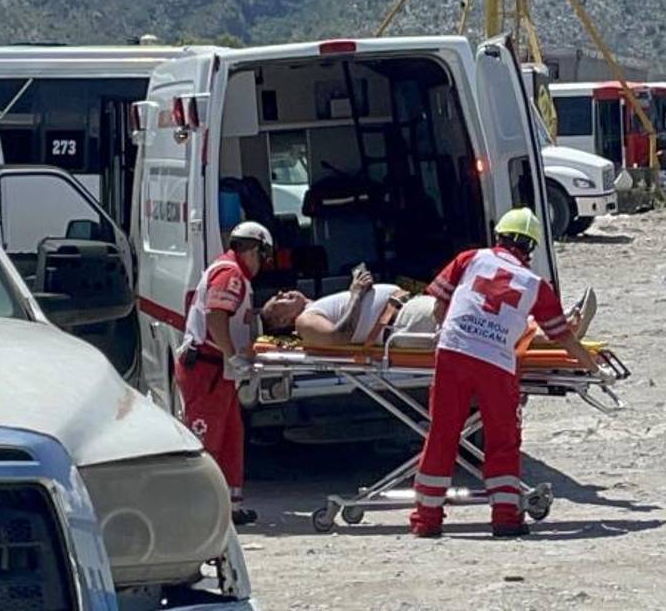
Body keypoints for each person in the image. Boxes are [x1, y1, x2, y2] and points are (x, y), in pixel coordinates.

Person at [410, 207, 608, 538]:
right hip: (496, 364)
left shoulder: (470, 259)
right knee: (502, 440)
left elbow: (440, 307)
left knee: (442, 433)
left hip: (453, 353)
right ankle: (505, 518)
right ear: (531, 248)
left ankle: (426, 520)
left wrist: (451, 333)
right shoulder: (535, 284)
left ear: (498, 235)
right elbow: (564, 338)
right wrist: (593, 367)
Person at [175, 221, 273, 526]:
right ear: (254, 250)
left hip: (219, 372)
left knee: (231, 437)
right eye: (263, 257)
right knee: (206, 440)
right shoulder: (231, 275)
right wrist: (232, 355)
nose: (262, 265)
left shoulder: (230, 272)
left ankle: (229, 507)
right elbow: (216, 316)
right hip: (207, 370)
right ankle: (197, 510)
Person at [260, 275, 596, 348]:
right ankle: (556, 333)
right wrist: (357, 294)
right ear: (283, 321)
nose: (282, 293)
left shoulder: (312, 307)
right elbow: (339, 337)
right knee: (473, 320)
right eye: (278, 301)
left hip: (404, 313)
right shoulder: (305, 321)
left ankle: (553, 328)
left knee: (476, 315)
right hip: (401, 323)